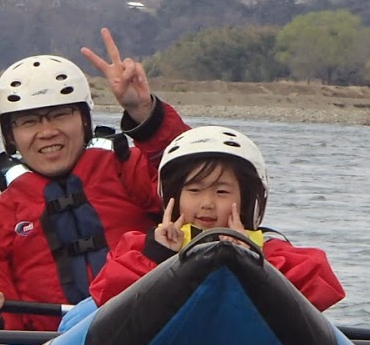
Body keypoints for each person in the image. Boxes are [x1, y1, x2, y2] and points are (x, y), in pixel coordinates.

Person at [0, 28, 192, 332]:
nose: (47, 132)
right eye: (29, 122)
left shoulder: (127, 168)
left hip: (149, 323)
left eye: (60, 115)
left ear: (84, 121)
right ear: (10, 137)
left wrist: (142, 110)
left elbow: (195, 178)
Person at [88, 125, 345, 313]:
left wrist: (249, 259)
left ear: (246, 199)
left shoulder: (270, 251)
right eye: (194, 190)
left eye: (222, 192)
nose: (207, 203)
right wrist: (157, 256)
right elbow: (106, 293)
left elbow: (321, 285)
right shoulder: (143, 248)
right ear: (174, 196)